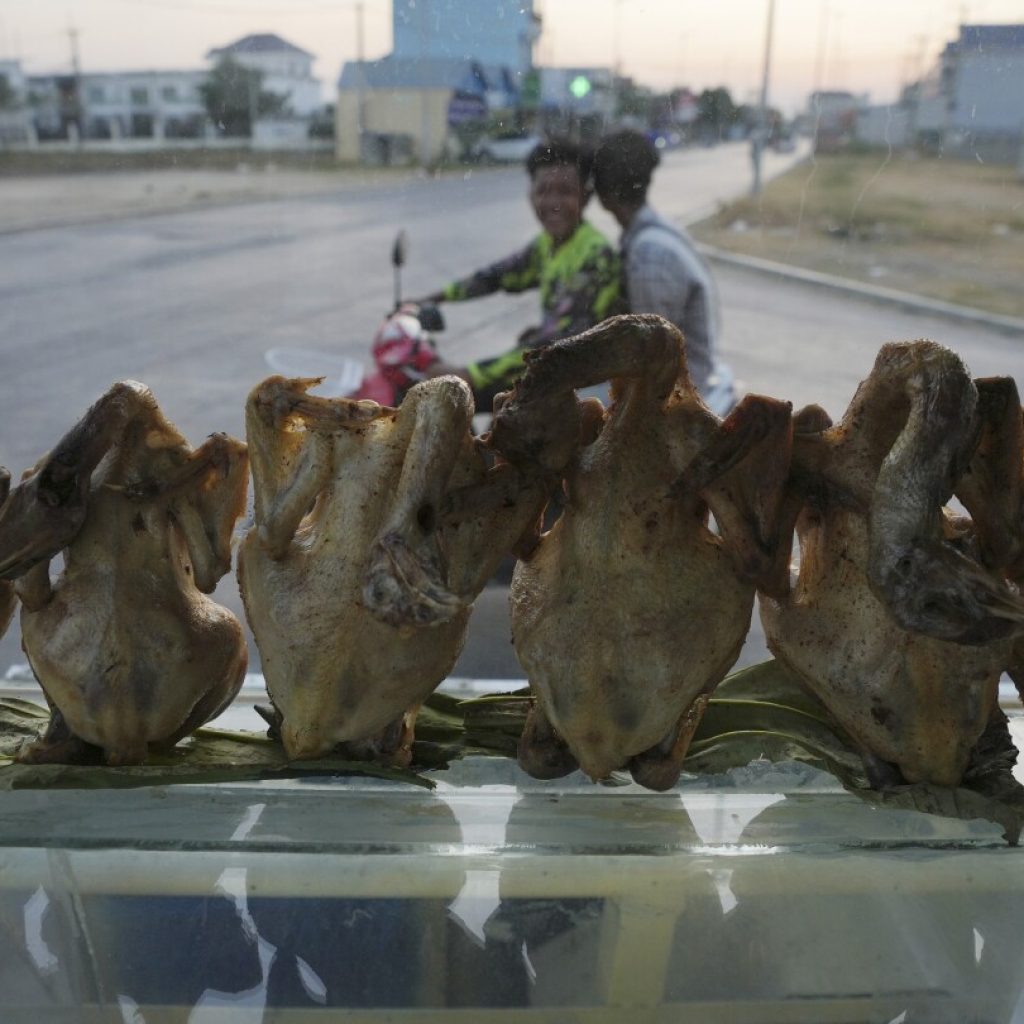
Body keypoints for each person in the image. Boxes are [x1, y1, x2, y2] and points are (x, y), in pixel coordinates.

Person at [417, 138, 622, 409]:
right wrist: (431, 299)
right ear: (530, 194)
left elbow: (557, 343)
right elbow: (495, 276)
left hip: (579, 391)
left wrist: (470, 373)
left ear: (585, 198)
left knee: (453, 402)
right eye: (543, 191)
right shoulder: (548, 245)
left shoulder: (595, 255)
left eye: (565, 192)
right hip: (549, 371)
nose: (553, 203)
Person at [593, 129, 737, 414]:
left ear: (603, 194)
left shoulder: (650, 255)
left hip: (684, 397)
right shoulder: (654, 234)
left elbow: (654, 357)